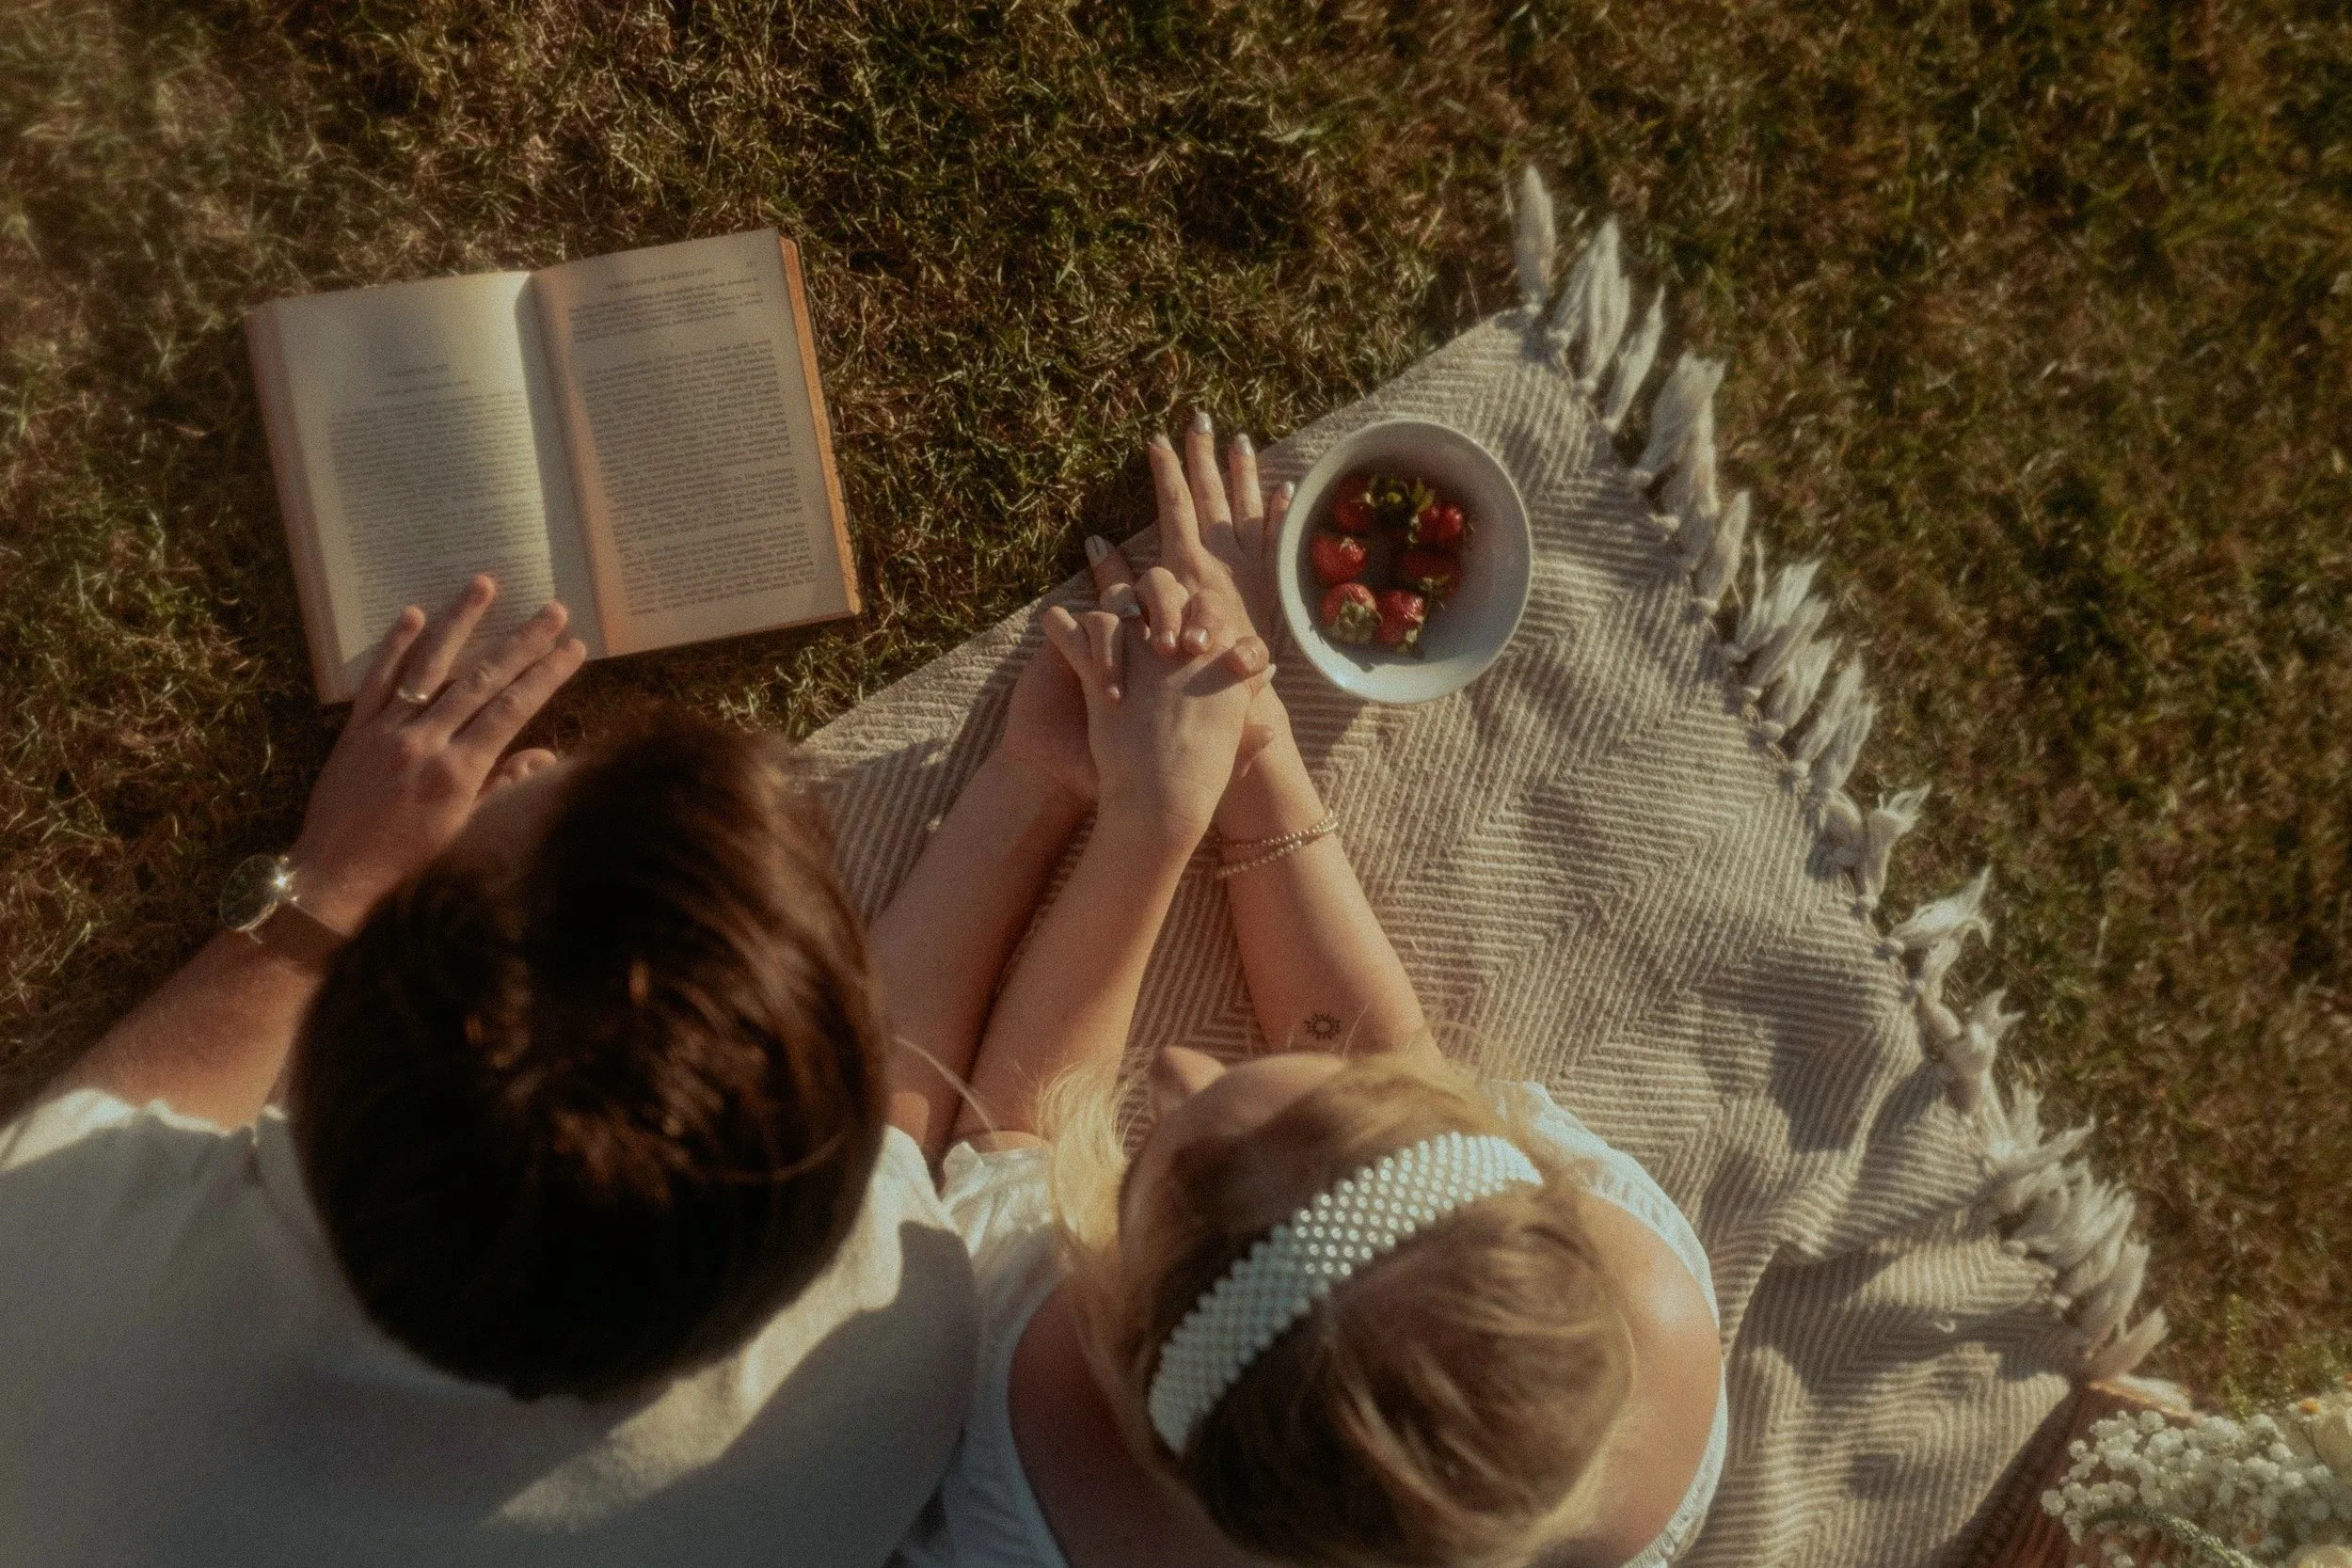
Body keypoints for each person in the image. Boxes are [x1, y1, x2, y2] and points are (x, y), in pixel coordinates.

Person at [0, 584, 1001, 1567]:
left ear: (310, 1060)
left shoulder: (57, 1297)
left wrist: (336, 881)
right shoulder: (895, 1350)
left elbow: (94, 1129)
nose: (536, 761)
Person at [887, 414, 1728, 1568]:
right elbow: (1400, 1053)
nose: (1180, 1063)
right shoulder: (1650, 1307)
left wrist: (1143, 819)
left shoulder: (1038, 1446)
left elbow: (1013, 1148)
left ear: (1132, 1370)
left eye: (1143, 1175)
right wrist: (1257, 745)